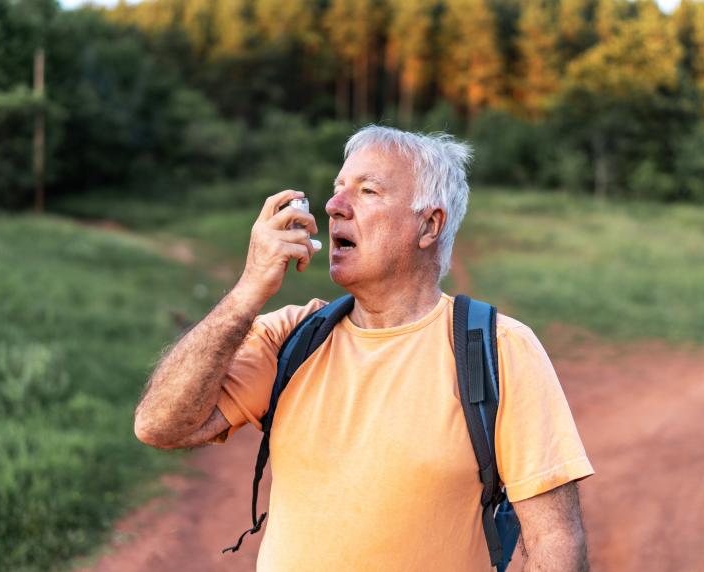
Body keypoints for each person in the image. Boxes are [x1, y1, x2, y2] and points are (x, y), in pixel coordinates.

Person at [134, 126, 594, 571]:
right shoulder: (292, 337)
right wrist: (248, 292)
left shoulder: (499, 350)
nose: (335, 206)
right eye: (338, 189)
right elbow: (160, 426)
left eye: (367, 191)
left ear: (429, 224)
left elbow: (555, 541)